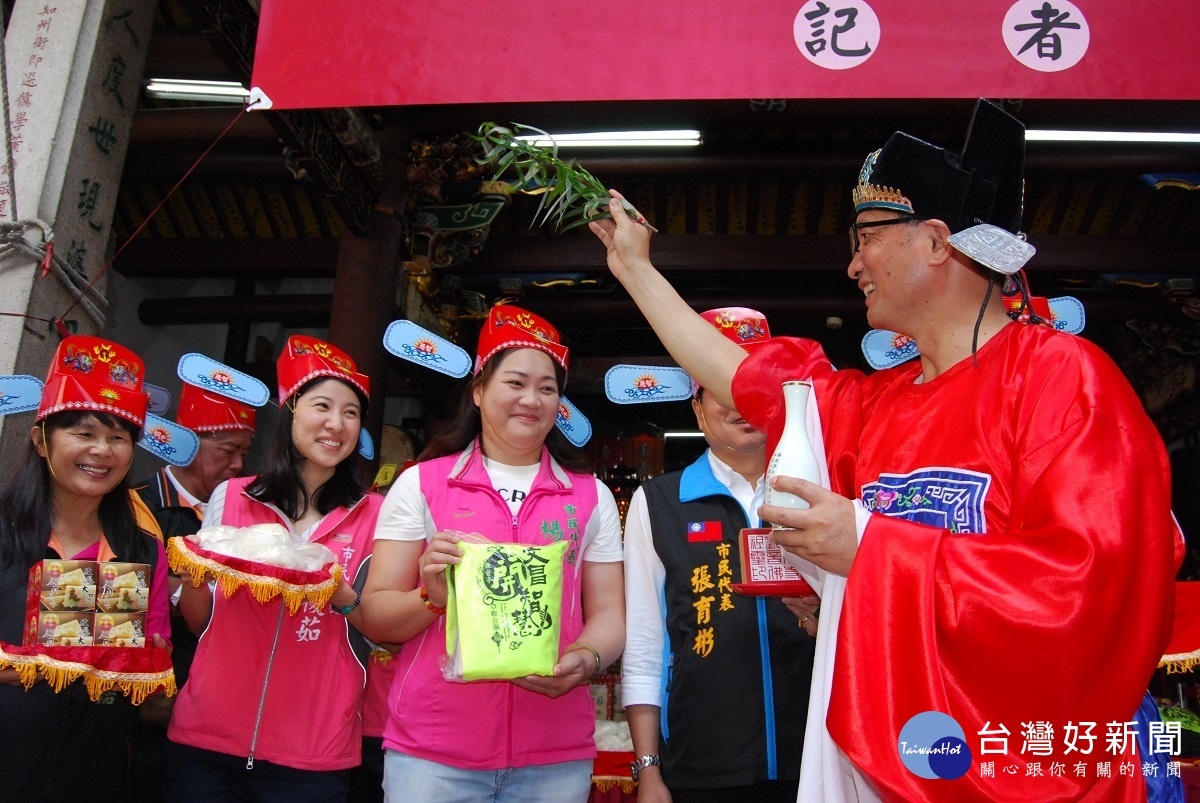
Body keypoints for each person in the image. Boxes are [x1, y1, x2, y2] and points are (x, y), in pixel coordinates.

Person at [591, 99, 1183, 801]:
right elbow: (749, 379)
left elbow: (1094, 591)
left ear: (936, 240)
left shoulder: (1065, 379)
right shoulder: (879, 403)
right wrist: (634, 270)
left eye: (867, 235)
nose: (852, 264)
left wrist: (870, 552)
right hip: (891, 765)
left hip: (1014, 772)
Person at [360, 304, 625, 803]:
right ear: (479, 391)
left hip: (553, 749)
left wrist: (587, 658)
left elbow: (610, 611)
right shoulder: (422, 484)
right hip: (434, 753)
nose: (532, 399)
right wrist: (431, 597)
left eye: (548, 388)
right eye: (516, 382)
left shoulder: (590, 497)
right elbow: (375, 614)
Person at [164, 335, 384, 802]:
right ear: (290, 411)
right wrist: (191, 577)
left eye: (351, 413)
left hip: (314, 750)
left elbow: (382, 629)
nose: (335, 423)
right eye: (322, 406)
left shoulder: (378, 516)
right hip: (207, 738)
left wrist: (343, 595)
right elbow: (201, 621)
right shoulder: (235, 497)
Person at [622, 307, 817, 803]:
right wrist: (648, 771)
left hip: (820, 758)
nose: (738, 399)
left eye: (752, 382)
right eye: (719, 382)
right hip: (701, 764)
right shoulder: (661, 502)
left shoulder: (824, 491)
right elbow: (646, 644)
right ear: (697, 406)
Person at [0, 335, 172, 801]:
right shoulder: (5, 530)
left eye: (118, 437)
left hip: (96, 769)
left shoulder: (144, 549)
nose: (102, 450)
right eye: (84, 433)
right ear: (41, 440)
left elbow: (149, 666)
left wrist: (149, 660)